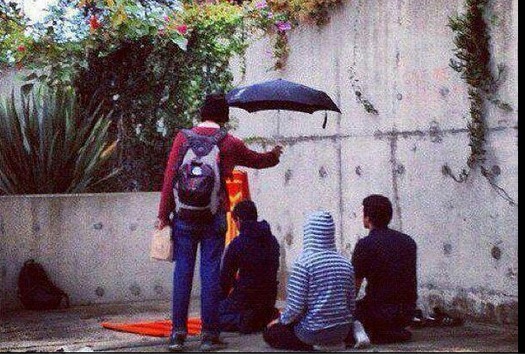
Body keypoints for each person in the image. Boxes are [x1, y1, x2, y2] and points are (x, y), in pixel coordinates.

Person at [156, 93, 283, 352]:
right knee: (211, 274)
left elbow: (169, 179)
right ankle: (209, 335)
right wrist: (274, 155)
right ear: (225, 116)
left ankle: (177, 335)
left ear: (201, 113)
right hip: (213, 218)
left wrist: (162, 215)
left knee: (183, 272)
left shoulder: (183, 138)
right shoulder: (228, 142)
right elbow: (256, 161)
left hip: (184, 218)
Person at [263, 211, 355, 351]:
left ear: (309, 234)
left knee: (271, 333)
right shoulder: (345, 263)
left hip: (313, 332)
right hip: (342, 332)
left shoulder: (303, 264)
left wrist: (280, 321)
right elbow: (351, 305)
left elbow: (295, 307)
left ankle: (315, 346)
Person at [348, 194, 418, 345]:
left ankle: (372, 331)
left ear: (367, 217)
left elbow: (353, 288)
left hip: (378, 313)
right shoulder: (408, 242)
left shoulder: (365, 245)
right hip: (407, 312)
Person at [219, 200, 280, 334]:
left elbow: (225, 279)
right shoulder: (272, 240)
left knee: (211, 316)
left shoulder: (237, 244)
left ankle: (242, 320)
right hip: (268, 299)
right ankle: (264, 316)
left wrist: (221, 299)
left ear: (238, 220)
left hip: (245, 299)